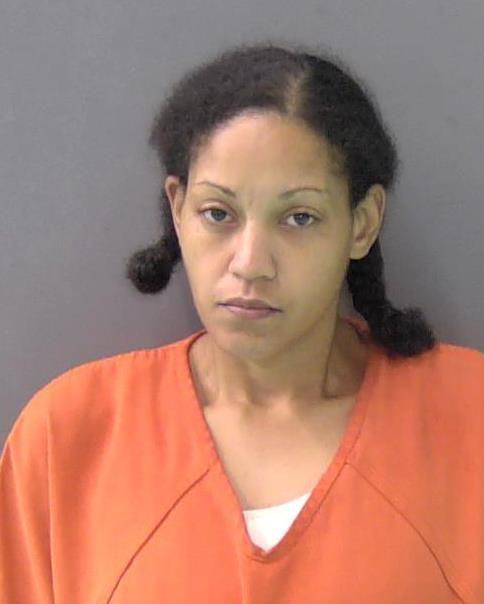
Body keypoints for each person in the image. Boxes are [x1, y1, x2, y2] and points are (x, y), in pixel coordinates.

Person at [1, 41, 483, 603]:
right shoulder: (69, 436)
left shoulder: (469, 420)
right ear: (178, 209)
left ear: (362, 223)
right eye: (218, 213)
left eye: (299, 217)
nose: (250, 263)